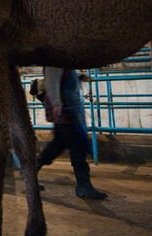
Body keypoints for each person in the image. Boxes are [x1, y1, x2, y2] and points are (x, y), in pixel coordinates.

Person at [33, 67, 107, 199]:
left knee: (58, 146)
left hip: (70, 111)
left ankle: (32, 172)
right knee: (76, 148)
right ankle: (83, 186)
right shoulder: (54, 63)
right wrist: (56, 104)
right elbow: (52, 82)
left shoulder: (64, 63)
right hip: (65, 112)